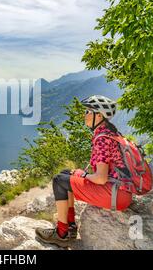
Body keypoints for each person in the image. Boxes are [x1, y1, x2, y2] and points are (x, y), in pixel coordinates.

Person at [35, 95, 133, 247]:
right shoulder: (111, 134)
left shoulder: (102, 138)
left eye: (88, 111)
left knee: (58, 180)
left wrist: (84, 174)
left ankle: (62, 234)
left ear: (99, 115)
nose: (84, 115)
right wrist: (80, 174)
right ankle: (71, 226)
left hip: (115, 195)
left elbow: (100, 179)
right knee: (67, 173)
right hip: (121, 191)